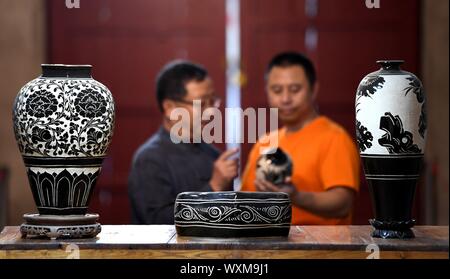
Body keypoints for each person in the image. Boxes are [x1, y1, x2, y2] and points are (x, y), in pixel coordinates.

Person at [241, 52, 360, 225]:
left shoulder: (334, 137)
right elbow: (245, 198)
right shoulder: (265, 142)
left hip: (320, 248)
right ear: (267, 91)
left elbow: (342, 204)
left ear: (314, 89)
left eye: (295, 89)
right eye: (277, 90)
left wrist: (296, 197)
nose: (285, 99)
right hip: (267, 248)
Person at [128, 60, 238, 224]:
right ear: (170, 107)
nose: (210, 112)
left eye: (212, 101)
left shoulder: (213, 154)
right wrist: (214, 187)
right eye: (201, 103)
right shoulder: (149, 159)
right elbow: (156, 223)